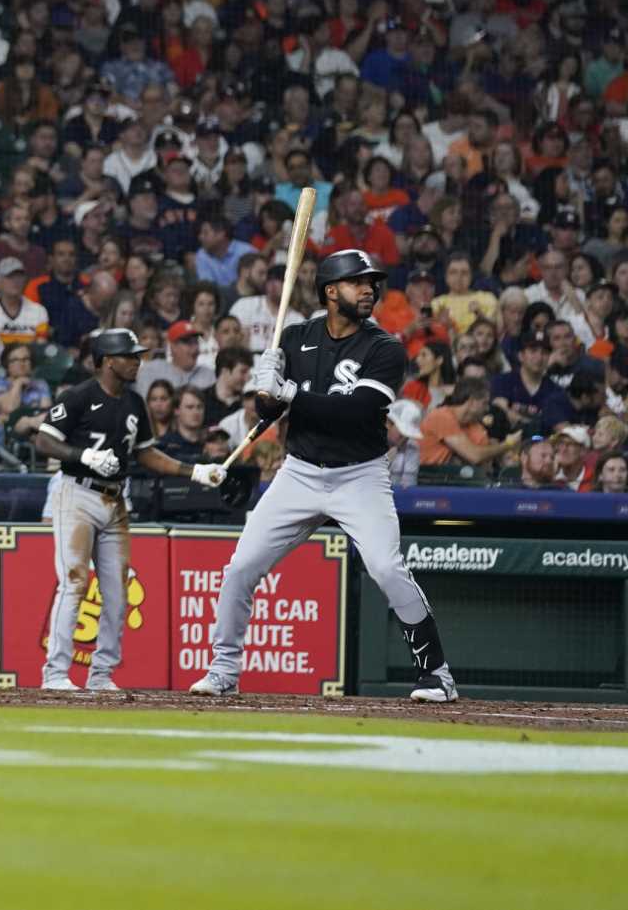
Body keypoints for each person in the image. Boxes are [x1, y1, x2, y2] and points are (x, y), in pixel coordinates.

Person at [193, 250, 461, 702]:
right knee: (240, 567)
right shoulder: (295, 337)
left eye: (373, 283)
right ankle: (223, 670)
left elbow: (360, 410)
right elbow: (269, 410)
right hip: (298, 472)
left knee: (385, 567)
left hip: (360, 475)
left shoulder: (385, 348)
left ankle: (437, 674)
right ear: (331, 290)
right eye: (359, 283)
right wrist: (266, 387)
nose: (370, 290)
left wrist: (291, 392)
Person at [28, 329, 224, 690]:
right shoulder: (79, 396)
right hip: (77, 494)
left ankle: (101, 674)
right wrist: (81, 454)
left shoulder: (135, 403)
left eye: (137, 355)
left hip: (116, 499)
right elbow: (44, 440)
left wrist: (193, 470)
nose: (137, 362)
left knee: (117, 592)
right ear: (106, 361)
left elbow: (145, 452)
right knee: (74, 582)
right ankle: (55, 673)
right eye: (129, 356)